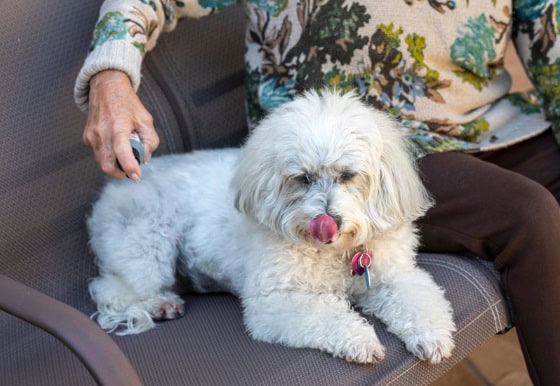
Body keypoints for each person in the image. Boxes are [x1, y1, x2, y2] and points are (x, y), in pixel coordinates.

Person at [74, 0, 560, 384]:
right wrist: (111, 75)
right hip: (372, 147)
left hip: (494, 129)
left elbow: (549, 36)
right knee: (533, 215)